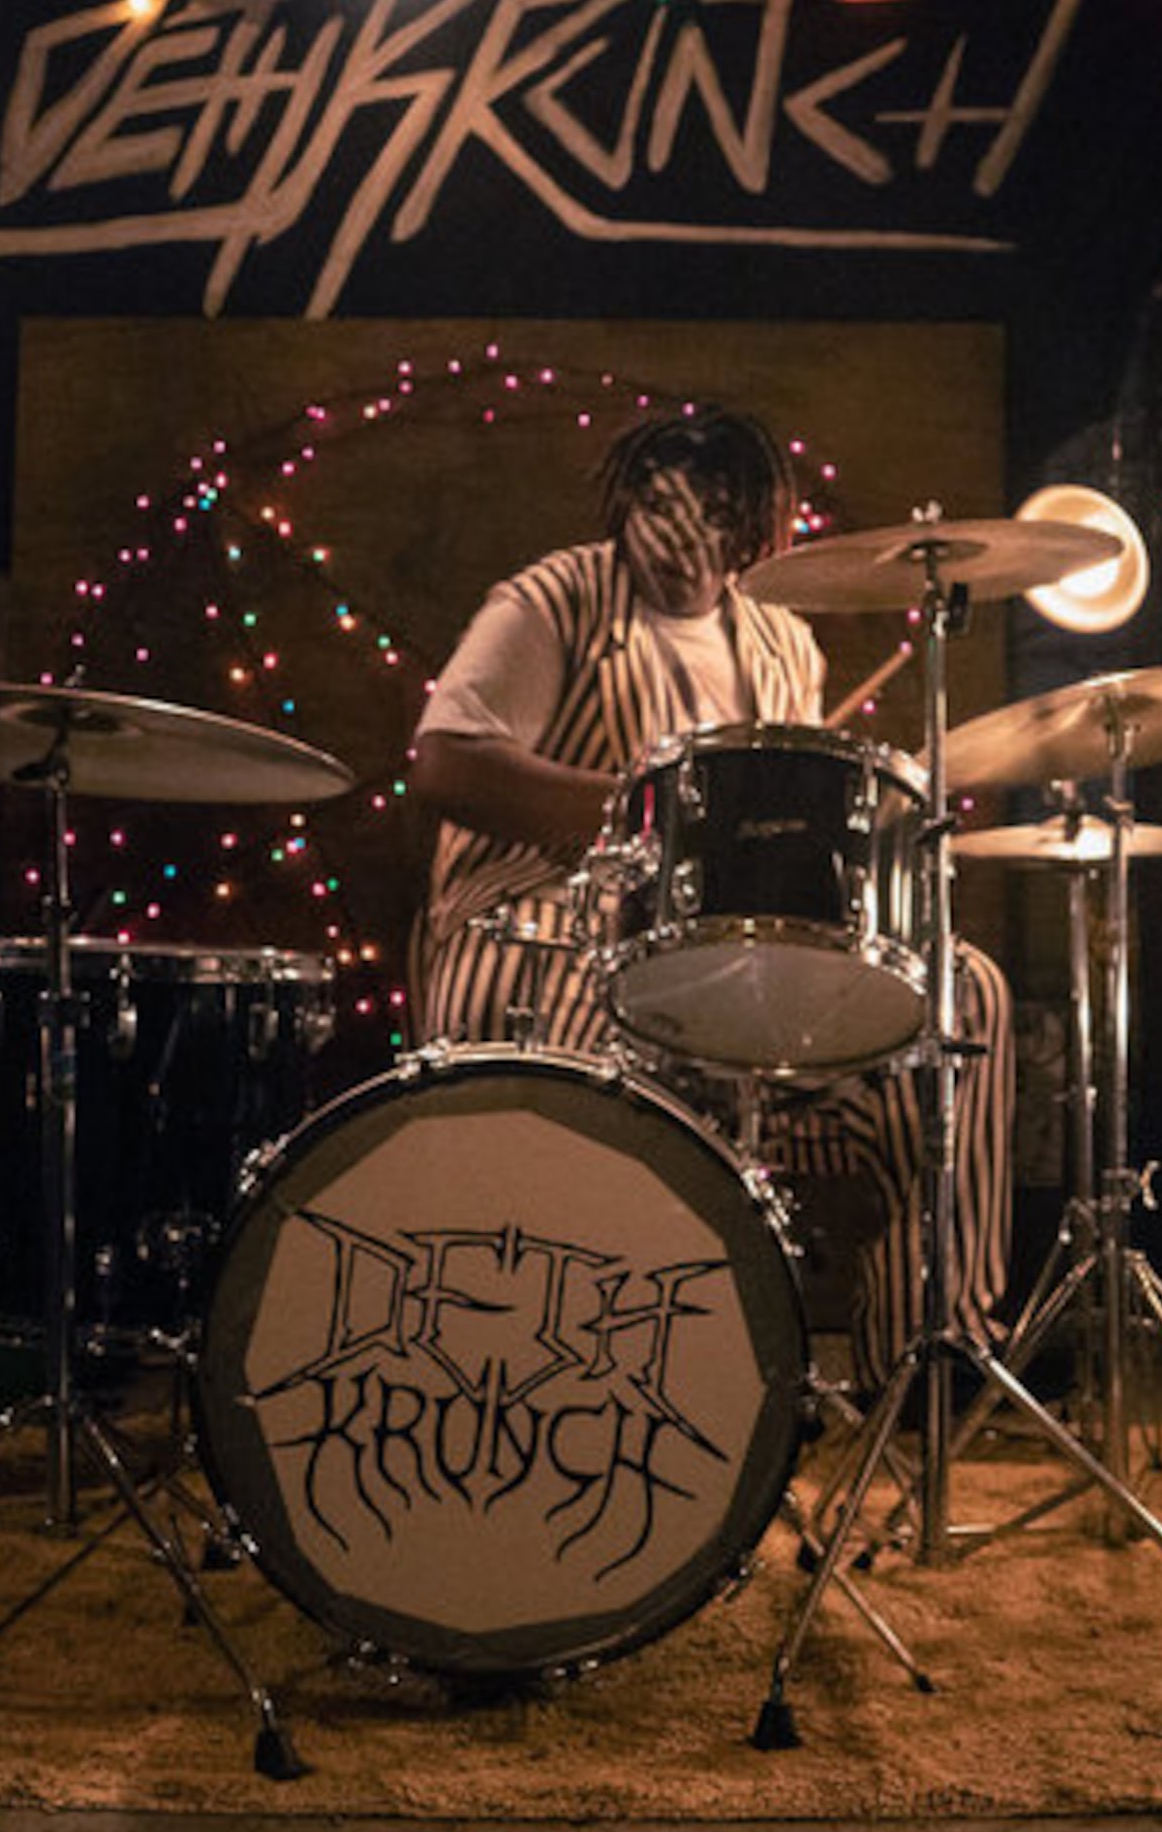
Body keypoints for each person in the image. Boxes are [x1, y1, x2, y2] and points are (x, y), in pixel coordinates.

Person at [407, 406, 1015, 1385]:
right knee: (575, 1001)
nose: (684, 537)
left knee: (962, 992)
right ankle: (562, 1365)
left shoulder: (784, 643)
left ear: (754, 533)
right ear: (624, 503)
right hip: (548, 920)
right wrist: (642, 812)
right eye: (660, 505)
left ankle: (927, 1359)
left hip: (730, 963)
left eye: (717, 515)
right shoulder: (552, 600)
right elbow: (444, 764)